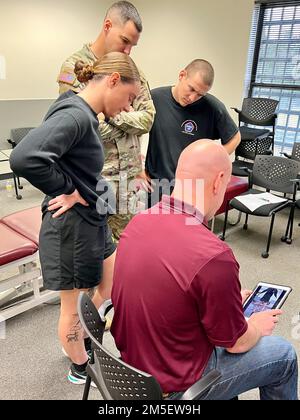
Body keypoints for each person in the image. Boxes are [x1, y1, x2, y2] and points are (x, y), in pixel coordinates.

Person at [111, 140, 298, 400]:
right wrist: (253, 325)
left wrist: (227, 302)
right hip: (179, 387)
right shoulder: (214, 256)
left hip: (131, 372)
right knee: (282, 354)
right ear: (219, 180)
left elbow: (168, 292)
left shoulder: (139, 223)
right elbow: (236, 343)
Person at [10, 52, 141, 386]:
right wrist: (71, 188)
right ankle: (80, 364)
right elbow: (24, 158)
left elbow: (73, 165)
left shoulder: (79, 108)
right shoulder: (77, 115)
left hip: (93, 221)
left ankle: (83, 333)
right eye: (129, 97)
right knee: (72, 308)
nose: (128, 107)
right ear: (113, 80)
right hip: (72, 229)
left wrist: (84, 190)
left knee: (110, 285)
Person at [58, 1, 155, 240]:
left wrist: (108, 113)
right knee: (96, 252)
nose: (128, 50)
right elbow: (83, 128)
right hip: (96, 180)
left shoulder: (133, 71)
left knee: (130, 247)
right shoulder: (75, 68)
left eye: (133, 45)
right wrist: (126, 114)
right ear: (108, 26)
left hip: (130, 180)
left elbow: (148, 119)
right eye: (125, 41)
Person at [144, 59, 241, 207]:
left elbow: (235, 137)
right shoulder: (154, 98)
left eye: (200, 94)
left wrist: (213, 161)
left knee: (185, 229)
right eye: (191, 89)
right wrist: (137, 167)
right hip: (157, 184)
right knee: (153, 227)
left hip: (191, 189)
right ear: (182, 75)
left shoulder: (212, 108)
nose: (192, 98)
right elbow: (132, 131)